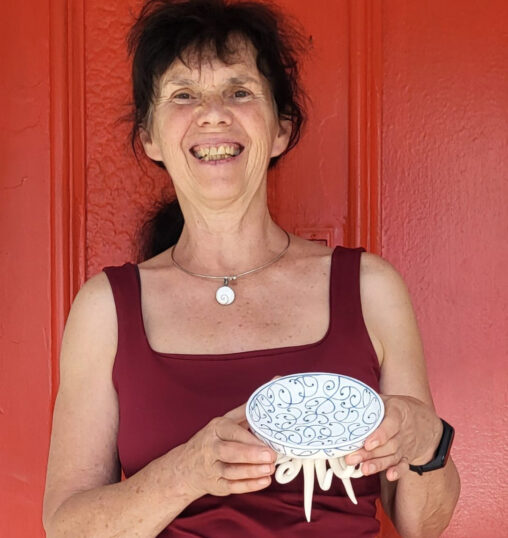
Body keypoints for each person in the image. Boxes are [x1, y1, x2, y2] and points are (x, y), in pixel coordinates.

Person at [42, 0, 460, 536]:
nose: (213, 113)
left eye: (239, 91)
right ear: (150, 137)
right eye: (184, 95)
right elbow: (66, 526)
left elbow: (424, 525)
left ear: (281, 129)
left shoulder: (370, 289)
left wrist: (427, 441)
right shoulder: (106, 309)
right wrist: (187, 471)